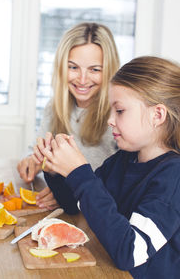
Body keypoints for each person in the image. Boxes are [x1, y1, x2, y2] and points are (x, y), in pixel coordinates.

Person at [33, 56, 180, 279]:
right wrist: (56, 169)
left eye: (119, 111)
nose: (110, 120)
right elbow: (76, 204)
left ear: (157, 115)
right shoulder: (123, 159)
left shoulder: (173, 177)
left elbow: (130, 252)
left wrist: (79, 173)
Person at [18, 22, 120, 210]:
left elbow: (122, 184)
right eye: (73, 67)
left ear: (109, 70)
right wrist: (31, 160)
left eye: (95, 69)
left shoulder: (118, 116)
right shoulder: (53, 107)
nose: (82, 80)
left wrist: (70, 195)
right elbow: (35, 150)